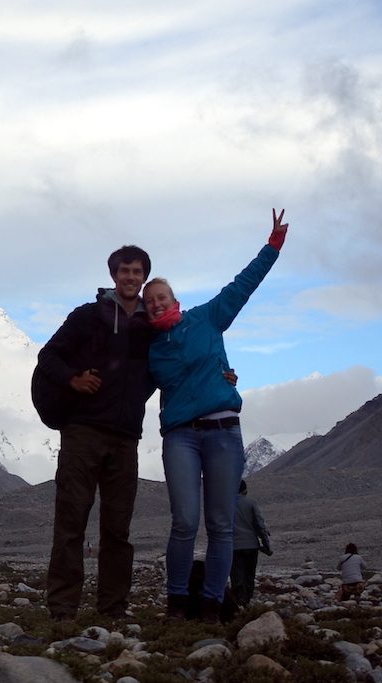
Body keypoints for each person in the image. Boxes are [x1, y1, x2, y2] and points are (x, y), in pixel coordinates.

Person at [144, 208, 288, 623]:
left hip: (224, 429)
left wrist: (271, 247)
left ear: (175, 301)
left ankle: (209, 603)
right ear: (146, 310)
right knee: (185, 520)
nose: (156, 305)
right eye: (150, 302)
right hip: (180, 436)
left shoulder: (207, 317)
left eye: (162, 298)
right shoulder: (150, 349)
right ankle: (176, 603)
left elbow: (242, 286)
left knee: (221, 524)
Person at [37, 245, 158, 620]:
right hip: (83, 432)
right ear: (113, 275)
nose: (130, 277)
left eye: (137, 272)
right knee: (71, 522)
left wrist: (221, 374)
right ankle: (62, 609)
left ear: (143, 277)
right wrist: (72, 380)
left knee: (117, 529)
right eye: (124, 271)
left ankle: (113, 609)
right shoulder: (87, 317)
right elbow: (49, 356)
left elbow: (172, 364)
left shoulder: (150, 327)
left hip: (126, 437)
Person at [230, 479, 272, 607]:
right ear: (245, 490)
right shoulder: (251, 503)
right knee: (249, 574)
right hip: (251, 545)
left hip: (233, 546)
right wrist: (266, 544)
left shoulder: (226, 504)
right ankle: (247, 601)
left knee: (237, 575)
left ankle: (238, 600)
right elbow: (259, 525)